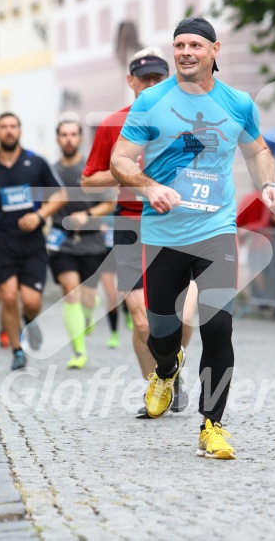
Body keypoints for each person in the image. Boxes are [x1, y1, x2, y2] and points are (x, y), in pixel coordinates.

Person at [110, 17, 275, 460]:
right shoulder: (151, 101)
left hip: (216, 231)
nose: (185, 52)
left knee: (219, 326)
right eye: (179, 45)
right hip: (164, 234)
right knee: (160, 331)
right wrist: (150, 186)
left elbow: (258, 150)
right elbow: (121, 160)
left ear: (214, 50)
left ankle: (212, 424)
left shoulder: (239, 102)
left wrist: (267, 183)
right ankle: (166, 371)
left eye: (195, 45)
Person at [81, 47, 197, 417]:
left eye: (157, 78)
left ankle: (171, 372)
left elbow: (206, 166)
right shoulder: (113, 125)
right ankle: (157, 388)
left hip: (176, 223)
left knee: (183, 317)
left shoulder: (184, 121)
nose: (150, 83)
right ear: (130, 82)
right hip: (131, 223)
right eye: (143, 78)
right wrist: (127, 171)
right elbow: (88, 182)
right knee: (142, 318)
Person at [0, 112, 66, 370]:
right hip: (2, 242)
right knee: (7, 296)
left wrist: (39, 216)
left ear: (20, 131)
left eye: (12, 126)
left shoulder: (35, 162)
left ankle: (30, 319)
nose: (8, 131)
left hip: (32, 243)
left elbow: (60, 195)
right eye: (3, 127)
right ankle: (17, 350)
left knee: (31, 301)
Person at [48, 120, 115, 368]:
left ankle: (89, 312)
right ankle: (79, 353)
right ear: (57, 139)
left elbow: (109, 203)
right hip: (62, 241)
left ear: (80, 138)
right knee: (71, 293)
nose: (68, 139)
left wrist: (87, 216)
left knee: (88, 299)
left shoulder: (92, 169)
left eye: (73, 134)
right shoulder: (51, 171)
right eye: (63, 134)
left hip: (92, 241)